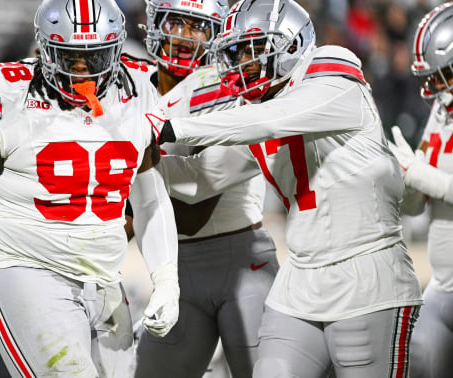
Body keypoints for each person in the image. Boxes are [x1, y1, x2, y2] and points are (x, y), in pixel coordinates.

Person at [150, 0, 424, 376]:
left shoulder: (332, 77)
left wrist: (170, 127)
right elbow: (202, 180)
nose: (243, 62)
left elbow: (270, 121)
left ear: (292, 43)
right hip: (299, 280)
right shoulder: (262, 109)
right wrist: (139, 159)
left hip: (367, 276)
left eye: (254, 48)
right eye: (235, 52)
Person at [0, 0, 180, 377]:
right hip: (24, 268)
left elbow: (149, 196)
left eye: (93, 56)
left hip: (104, 279)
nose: (81, 68)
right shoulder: (7, 98)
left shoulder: (139, 90)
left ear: (116, 49)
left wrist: (165, 279)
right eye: (68, 55)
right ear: (44, 48)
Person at [133, 1, 279, 377]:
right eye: (176, 23)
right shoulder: (132, 87)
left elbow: (196, 208)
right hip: (175, 269)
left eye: (199, 27)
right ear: (155, 24)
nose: (184, 36)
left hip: (241, 263)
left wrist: (121, 170)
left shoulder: (228, 86)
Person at [388, 3, 453, 377]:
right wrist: (408, 181)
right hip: (443, 287)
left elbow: (436, 180)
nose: (433, 88)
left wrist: (423, 175)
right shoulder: (442, 111)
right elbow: (414, 209)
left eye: (441, 75)